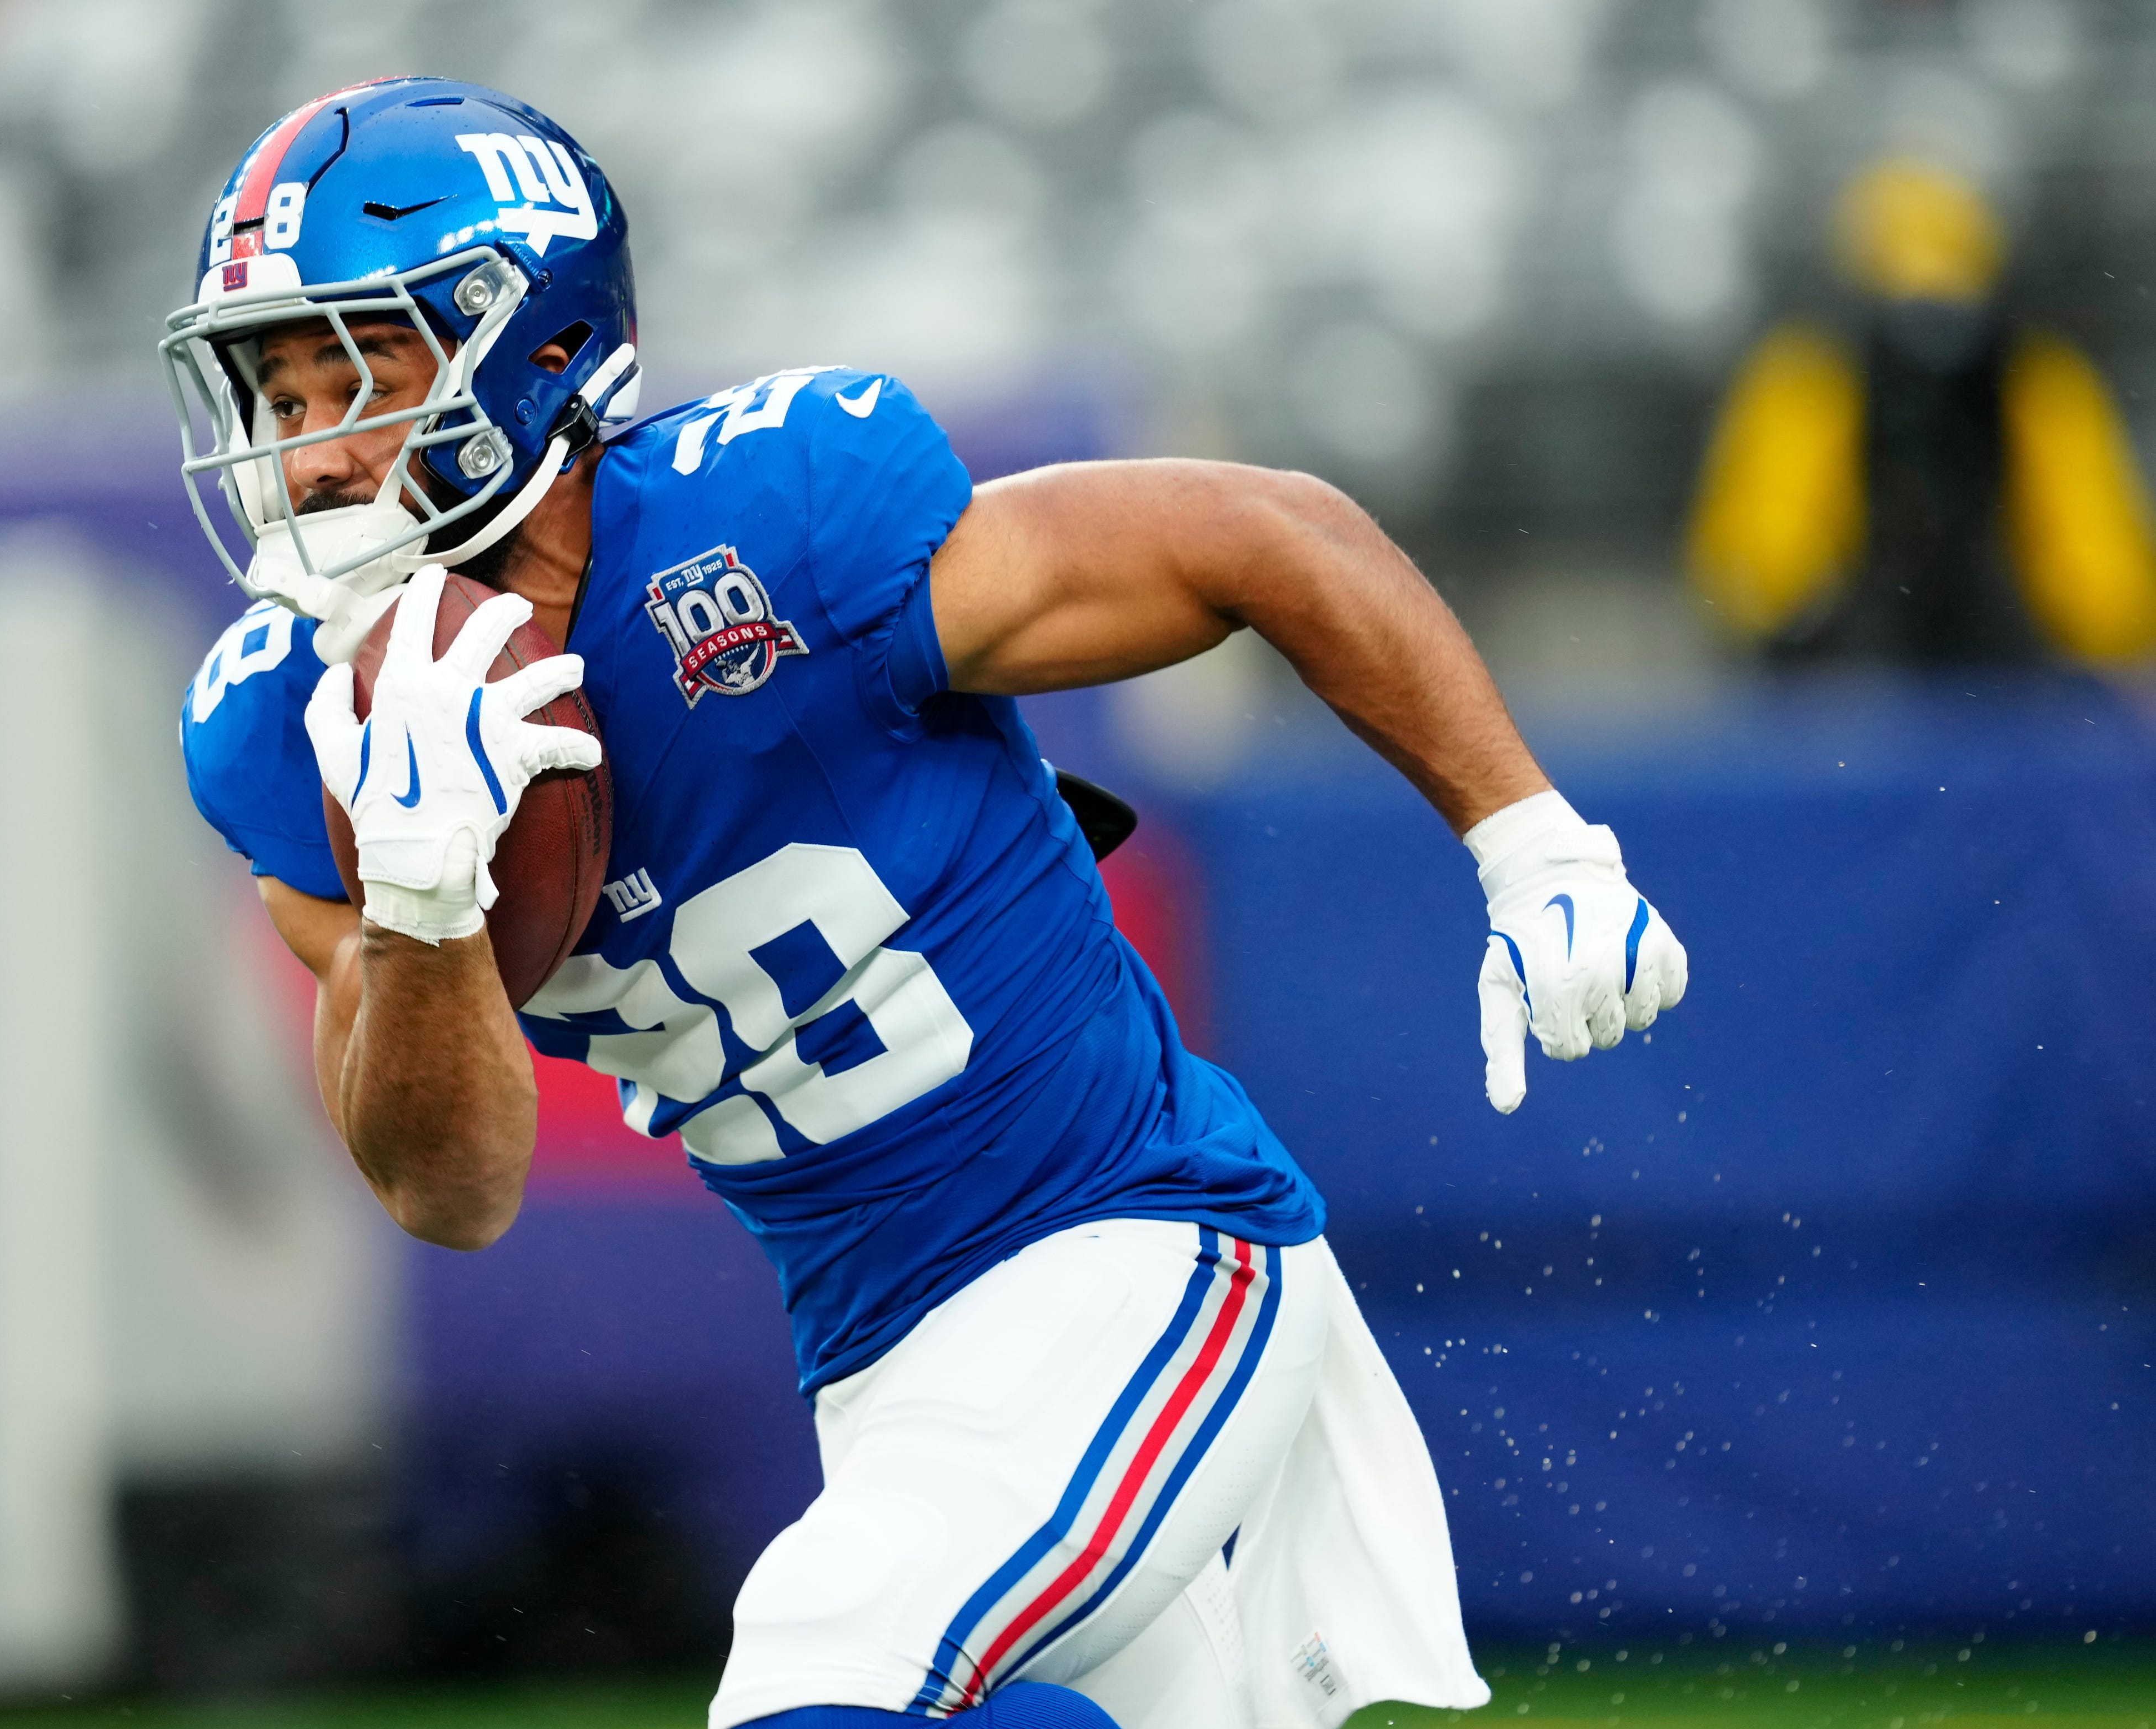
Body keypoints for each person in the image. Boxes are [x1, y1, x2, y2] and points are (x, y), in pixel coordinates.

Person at [172, 79, 1689, 1729]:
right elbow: (448, 1181)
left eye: (362, 371)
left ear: (534, 349)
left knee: (824, 1659)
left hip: (1139, 1243)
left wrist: (1532, 843)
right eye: (279, 385)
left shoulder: (774, 526)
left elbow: (1262, 534)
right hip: (883, 1374)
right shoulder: (289, 736)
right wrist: (420, 895)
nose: (308, 447)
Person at [1687, 154, 2156, 668]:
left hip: (1890, 667)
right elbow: (2099, 566)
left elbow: (1759, 560)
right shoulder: (2035, 371)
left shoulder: (1810, 369)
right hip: (1975, 664)